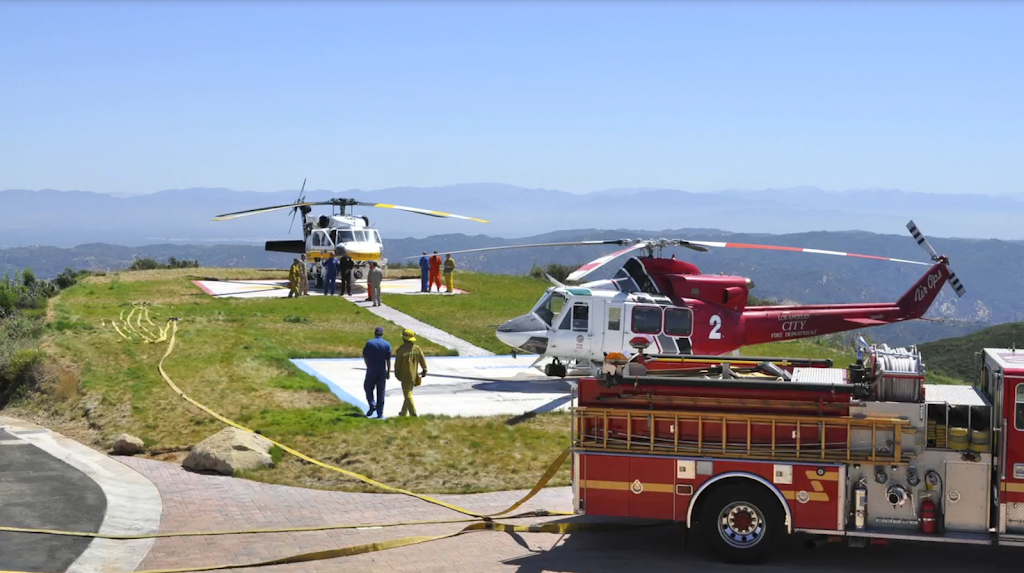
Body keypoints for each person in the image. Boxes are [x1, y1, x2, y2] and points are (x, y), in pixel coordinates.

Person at [394, 329, 427, 417]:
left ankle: (413, 413)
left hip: (404, 376)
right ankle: (403, 413)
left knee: (407, 394)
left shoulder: (401, 350)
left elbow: (397, 364)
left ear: (404, 339)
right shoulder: (417, 348)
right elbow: (422, 359)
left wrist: (396, 373)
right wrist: (424, 369)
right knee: (409, 394)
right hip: (413, 375)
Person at [362, 326, 391, 418]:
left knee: (368, 387)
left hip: (371, 369)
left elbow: (365, 356)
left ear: (374, 333)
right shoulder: (387, 344)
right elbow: (388, 360)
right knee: (381, 391)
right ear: (382, 334)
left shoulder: (369, 343)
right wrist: (388, 371)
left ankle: (372, 403)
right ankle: (380, 413)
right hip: (382, 370)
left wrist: (368, 366)